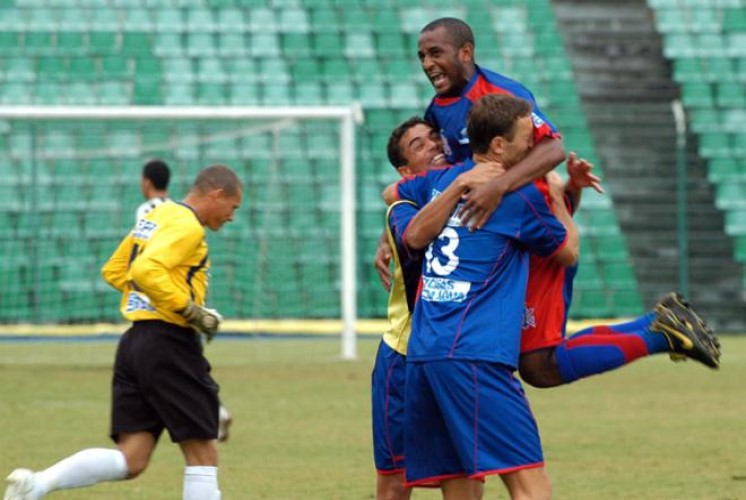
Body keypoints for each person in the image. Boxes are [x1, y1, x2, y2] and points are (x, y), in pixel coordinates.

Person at [4, 165, 243, 500]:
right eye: (233, 207)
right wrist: (190, 310)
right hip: (169, 344)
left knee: (133, 458)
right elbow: (146, 270)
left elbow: (116, 270)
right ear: (217, 195)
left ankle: (36, 484)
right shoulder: (188, 225)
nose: (232, 217)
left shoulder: (159, 215)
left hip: (135, 344)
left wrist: (156, 296)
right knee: (203, 451)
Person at [396, 94, 578, 498]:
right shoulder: (521, 197)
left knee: (459, 487)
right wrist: (557, 195)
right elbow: (567, 252)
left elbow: (399, 209)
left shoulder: (442, 179)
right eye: (527, 139)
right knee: (530, 483)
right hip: (474, 354)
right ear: (498, 145)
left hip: (425, 354)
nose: (534, 148)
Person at [373, 16, 564, 285]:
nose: (427, 64)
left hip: (522, 230)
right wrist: (388, 236)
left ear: (465, 52)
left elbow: (553, 149)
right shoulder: (437, 109)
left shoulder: (504, 94)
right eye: (422, 57)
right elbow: (435, 180)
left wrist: (498, 186)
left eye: (435, 53)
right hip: (474, 232)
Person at [135, 159, 233, 442]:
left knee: (195, 449)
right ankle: (214, 409)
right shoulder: (177, 209)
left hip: (160, 310)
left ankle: (212, 411)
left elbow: (142, 263)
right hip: (174, 305)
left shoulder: (151, 212)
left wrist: (187, 309)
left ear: (146, 182)